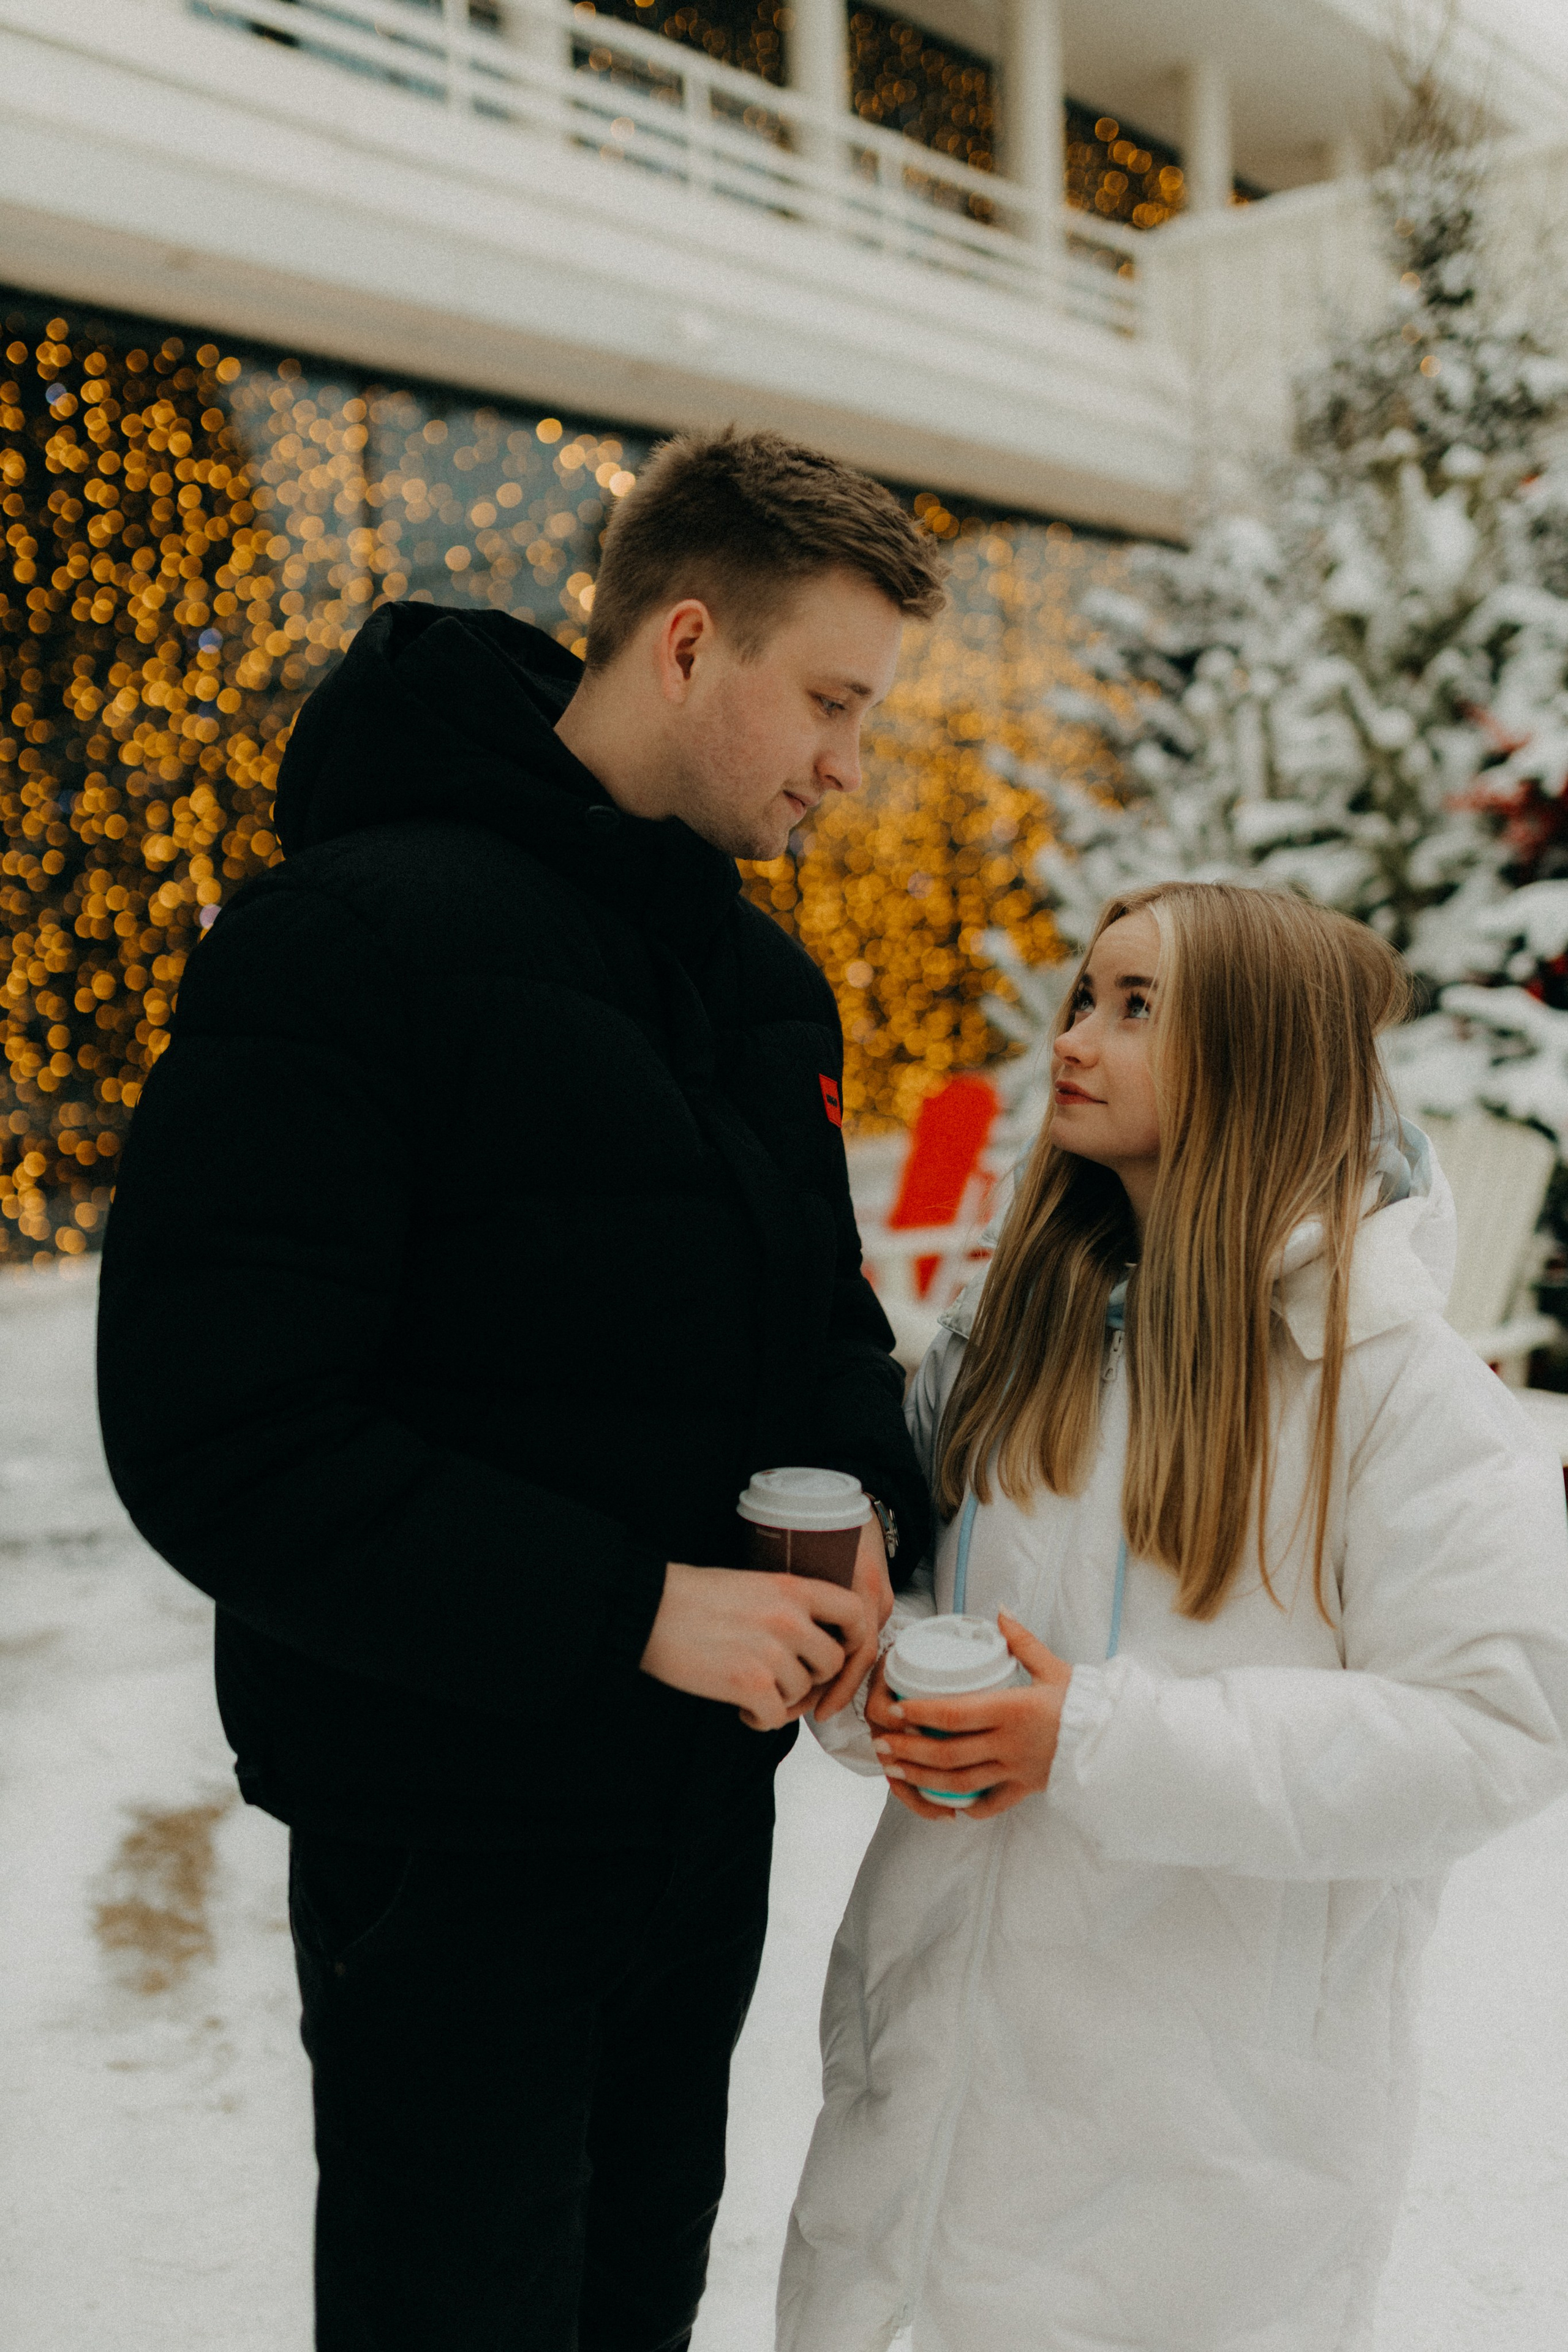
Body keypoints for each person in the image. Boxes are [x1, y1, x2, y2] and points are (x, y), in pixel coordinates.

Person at [96, 427, 943, 2350]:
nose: (847, 762)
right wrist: (632, 1610)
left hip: (691, 1827)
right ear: (687, 642)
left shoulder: (761, 986)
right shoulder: (347, 940)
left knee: (637, 2304)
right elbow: (220, 1432)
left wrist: (864, 1505)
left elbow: (823, 1317)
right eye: (827, 701)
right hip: (448, 1832)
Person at [780, 881, 1568, 2352]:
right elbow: (946, 1618)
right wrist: (872, 1684)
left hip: (1196, 2163)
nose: (1076, 1037)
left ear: (1256, 1053)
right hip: (923, 2118)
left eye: (1135, 1008)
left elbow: (1494, 1731)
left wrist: (1087, 1736)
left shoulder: (1396, 1395)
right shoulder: (1014, 1330)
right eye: (1085, 995)